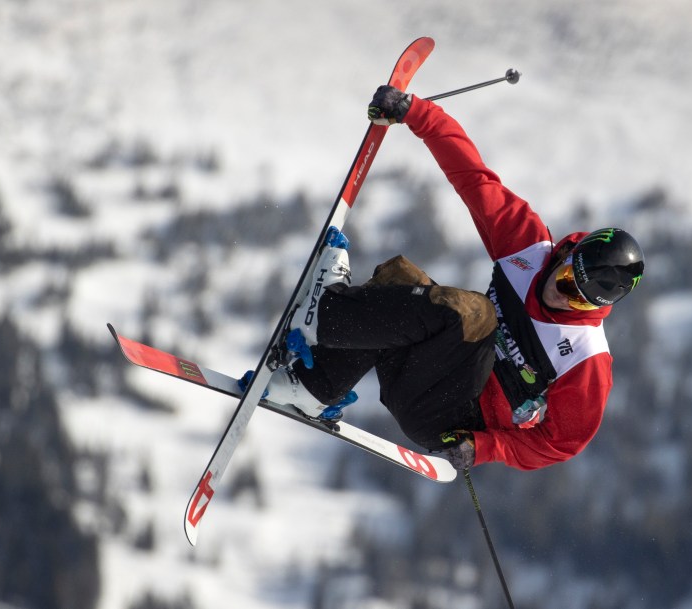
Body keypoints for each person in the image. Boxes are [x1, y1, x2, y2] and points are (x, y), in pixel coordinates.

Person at [259, 85, 644, 472]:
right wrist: (416, 113)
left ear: (597, 309)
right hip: (418, 374)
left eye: (578, 300)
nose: (561, 296)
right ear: (565, 254)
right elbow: (474, 178)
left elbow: (562, 442)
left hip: (447, 420)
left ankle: (325, 312)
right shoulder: (528, 249)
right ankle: (313, 387)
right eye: (564, 278)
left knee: (477, 313)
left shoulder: (584, 357)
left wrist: (484, 447)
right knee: (399, 279)